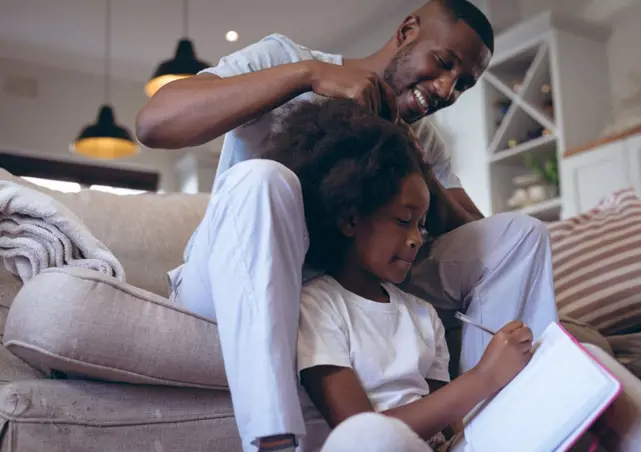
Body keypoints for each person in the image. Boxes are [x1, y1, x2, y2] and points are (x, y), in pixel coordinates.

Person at [135, 0, 558, 449]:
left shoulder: (423, 137)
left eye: (463, 85)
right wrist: (308, 74)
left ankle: (501, 432)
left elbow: (481, 238)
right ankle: (273, 440)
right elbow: (154, 123)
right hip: (232, 280)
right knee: (265, 179)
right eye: (444, 63)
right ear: (408, 30)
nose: (446, 89)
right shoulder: (283, 58)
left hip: (345, 289)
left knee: (522, 233)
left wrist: (418, 164)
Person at [264, 99, 534, 451]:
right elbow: (358, 430)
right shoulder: (317, 305)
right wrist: (484, 377)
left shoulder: (423, 315)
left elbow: (446, 422)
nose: (416, 238)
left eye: (422, 226)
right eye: (403, 221)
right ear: (350, 218)